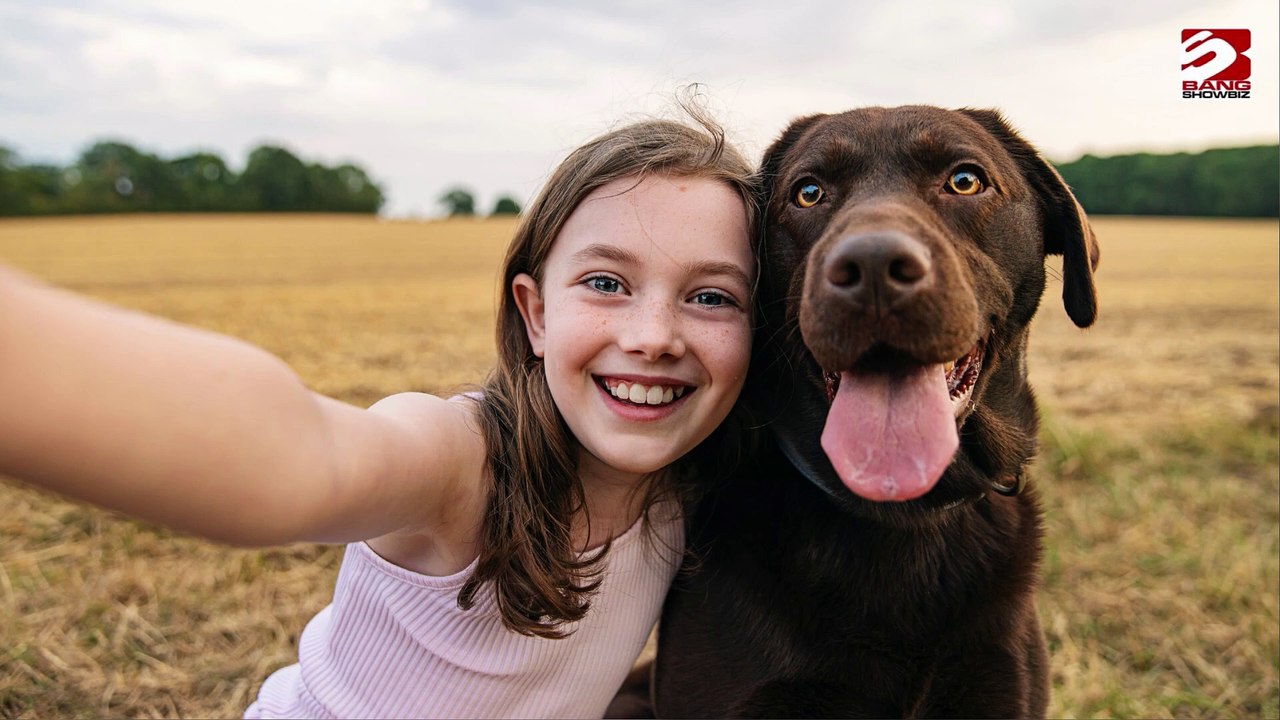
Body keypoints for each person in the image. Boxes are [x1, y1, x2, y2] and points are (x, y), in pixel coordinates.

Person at [0, 112, 759, 718]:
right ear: (534, 313)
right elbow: (297, 456)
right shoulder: (458, 462)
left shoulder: (690, 491)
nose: (654, 337)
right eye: (605, 282)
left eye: (712, 297)